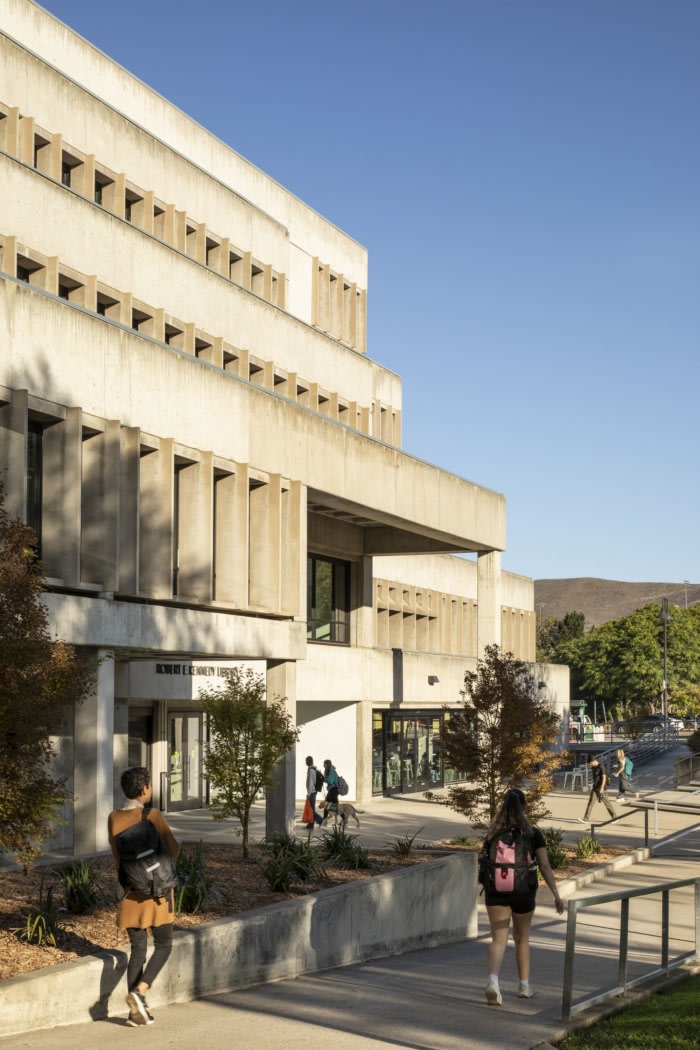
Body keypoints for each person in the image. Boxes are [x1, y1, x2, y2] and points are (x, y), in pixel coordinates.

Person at [108, 767, 181, 1027]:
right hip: (158, 894)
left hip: (130, 892)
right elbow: (173, 850)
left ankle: (135, 1013)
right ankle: (140, 992)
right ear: (144, 789)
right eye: (149, 785)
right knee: (164, 944)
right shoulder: (152, 815)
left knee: (137, 949)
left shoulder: (113, 818)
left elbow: (117, 855)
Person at [482, 788, 564, 1006]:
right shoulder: (533, 833)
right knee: (522, 938)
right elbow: (544, 865)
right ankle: (524, 986)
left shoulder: (492, 834)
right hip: (523, 891)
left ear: (503, 807)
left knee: (498, 939)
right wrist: (556, 895)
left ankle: (493, 981)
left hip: (496, 892)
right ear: (524, 807)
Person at [578, 754, 617, 823]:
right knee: (590, 803)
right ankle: (586, 819)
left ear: (593, 761)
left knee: (607, 803)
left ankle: (615, 818)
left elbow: (604, 778)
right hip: (595, 788)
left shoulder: (601, 767)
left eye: (590, 763)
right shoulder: (593, 767)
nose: (590, 765)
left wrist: (602, 788)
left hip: (602, 788)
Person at [304, 755, 324, 829]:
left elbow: (311, 782)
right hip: (313, 791)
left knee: (311, 810)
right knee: (311, 809)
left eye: (306, 761)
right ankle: (311, 824)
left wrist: (309, 793)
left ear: (309, 761)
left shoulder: (311, 770)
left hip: (312, 792)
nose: (305, 762)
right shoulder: (312, 769)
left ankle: (321, 821)